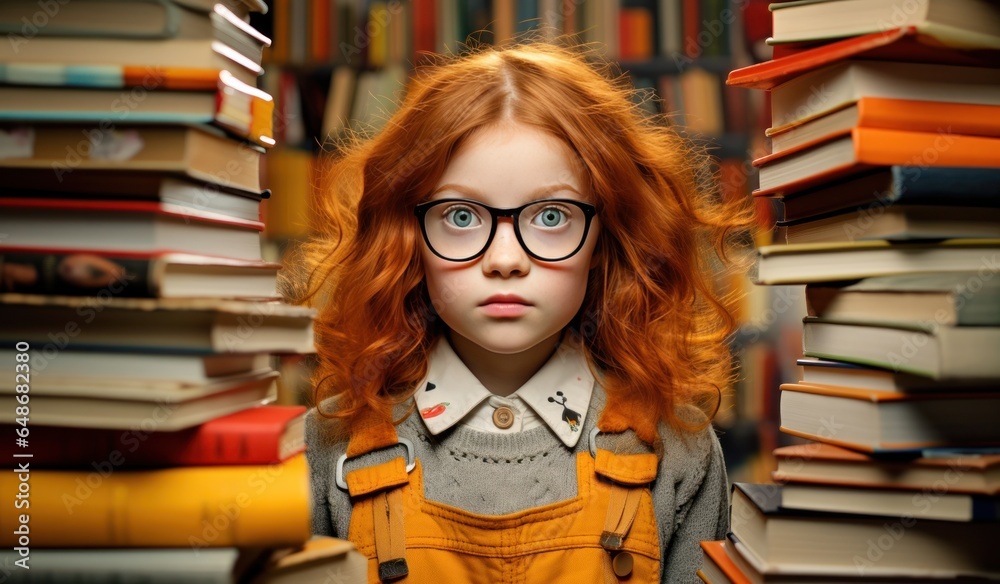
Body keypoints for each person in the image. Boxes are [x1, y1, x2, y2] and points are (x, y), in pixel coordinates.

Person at [292, 40, 753, 583]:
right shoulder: (326, 446)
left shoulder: (680, 452)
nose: (505, 260)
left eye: (552, 216)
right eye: (461, 217)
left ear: (605, 236)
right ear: (406, 237)